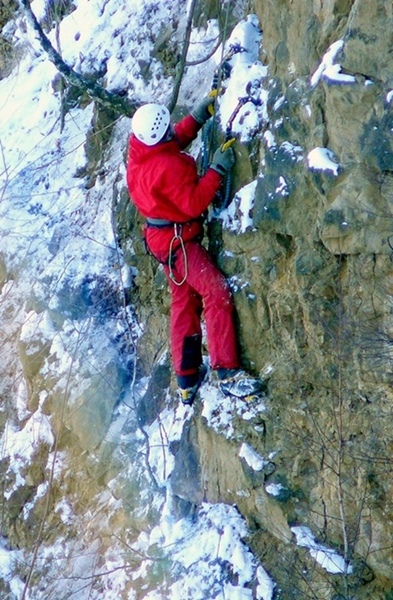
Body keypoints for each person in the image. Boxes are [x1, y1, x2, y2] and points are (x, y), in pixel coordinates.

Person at [126, 99, 265, 404]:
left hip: (162, 240)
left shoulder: (139, 150)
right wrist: (216, 169)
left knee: (185, 301)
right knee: (216, 292)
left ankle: (187, 375)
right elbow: (193, 203)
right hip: (180, 244)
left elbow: (170, 141)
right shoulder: (169, 167)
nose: (170, 133)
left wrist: (198, 117)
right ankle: (226, 370)